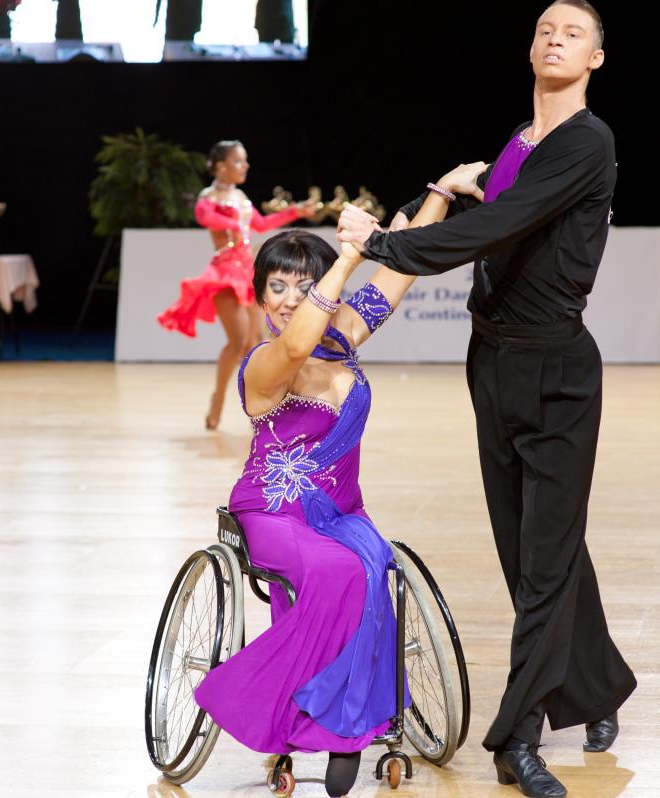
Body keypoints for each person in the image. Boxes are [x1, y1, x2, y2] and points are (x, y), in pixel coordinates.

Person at [337, 2, 635, 796]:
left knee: (543, 559)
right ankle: (597, 686)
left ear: (596, 60)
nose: (553, 39)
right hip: (493, 365)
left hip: (558, 373)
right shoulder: (519, 143)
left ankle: (518, 739)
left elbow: (500, 225)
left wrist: (385, 245)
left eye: (572, 33)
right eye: (544, 29)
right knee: (533, 550)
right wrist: (450, 188)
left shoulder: (586, 141)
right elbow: (498, 208)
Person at [195, 182, 453, 796]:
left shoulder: (346, 340)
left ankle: (347, 713)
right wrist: (343, 258)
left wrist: (444, 190)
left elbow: (400, 263)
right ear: (260, 297)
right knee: (339, 571)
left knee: (376, 562)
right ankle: (325, 724)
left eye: (299, 286)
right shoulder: (266, 361)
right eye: (277, 288)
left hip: (341, 509)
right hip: (274, 511)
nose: (288, 300)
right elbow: (295, 341)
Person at [157, 140, 313, 430]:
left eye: (245, 161)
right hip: (224, 275)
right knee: (240, 343)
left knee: (257, 342)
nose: (246, 166)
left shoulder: (240, 197)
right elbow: (204, 216)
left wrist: (297, 211)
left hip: (248, 274)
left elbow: (262, 224)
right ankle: (218, 398)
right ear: (220, 166)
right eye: (239, 161)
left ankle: (262, 407)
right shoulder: (209, 197)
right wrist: (230, 214)